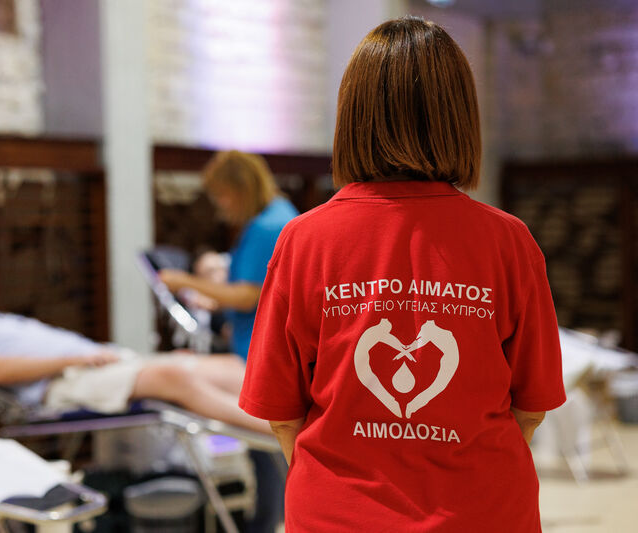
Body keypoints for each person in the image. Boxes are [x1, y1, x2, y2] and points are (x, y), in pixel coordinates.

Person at [239, 17, 566, 533]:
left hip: (337, 516)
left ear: (351, 118)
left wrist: (344, 484)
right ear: (460, 118)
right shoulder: (509, 242)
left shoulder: (304, 241)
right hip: (484, 515)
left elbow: (282, 413)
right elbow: (532, 405)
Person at [0, 261, 270, 434]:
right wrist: (77, 359)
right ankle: (281, 435)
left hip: (97, 362)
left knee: (227, 365)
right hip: (62, 382)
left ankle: (293, 418)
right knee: (176, 376)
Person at [159, 150, 298, 361]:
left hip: (258, 353)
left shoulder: (267, 227)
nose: (220, 204)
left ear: (240, 189)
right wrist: (218, 302)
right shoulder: (279, 213)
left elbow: (247, 296)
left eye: (222, 195)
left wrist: (185, 282)